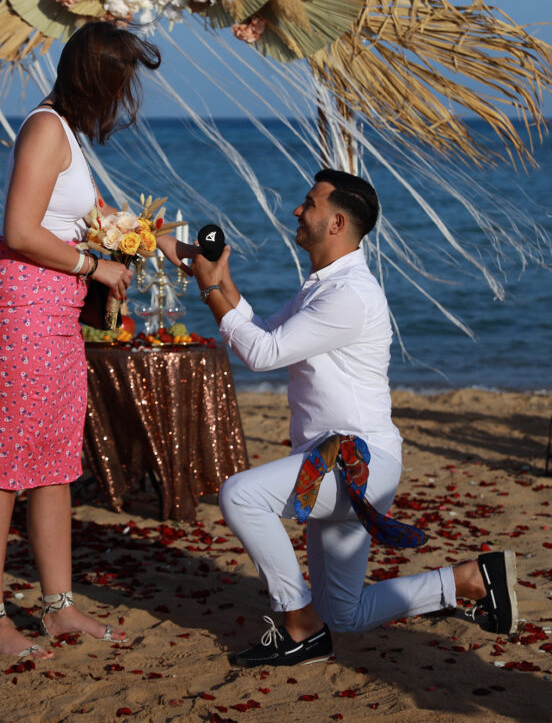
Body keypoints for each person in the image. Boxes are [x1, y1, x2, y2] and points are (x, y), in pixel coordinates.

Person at [192, 168, 518, 668]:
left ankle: (300, 628)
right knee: (342, 613)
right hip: (335, 464)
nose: (298, 211)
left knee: (241, 495)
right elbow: (258, 330)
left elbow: (260, 353)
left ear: (337, 221)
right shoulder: (324, 287)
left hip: (355, 464)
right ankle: (468, 580)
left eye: (309, 203)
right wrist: (216, 278)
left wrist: (210, 289)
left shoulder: (350, 295)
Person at [0, 21, 197, 659]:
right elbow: (19, 229)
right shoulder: (45, 129)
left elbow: (93, 224)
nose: (125, 100)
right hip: (22, 309)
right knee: (7, 463)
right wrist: (94, 268)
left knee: (53, 460)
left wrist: (162, 246)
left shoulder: (63, 132)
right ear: (98, 80)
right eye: (122, 84)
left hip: (53, 313)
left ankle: (58, 607)